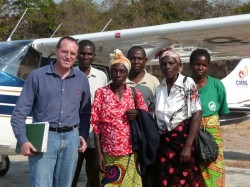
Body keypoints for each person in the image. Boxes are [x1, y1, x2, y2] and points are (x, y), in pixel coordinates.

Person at [11, 36, 91, 187]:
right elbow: (19, 112)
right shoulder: (37, 77)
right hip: (44, 138)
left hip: (71, 139)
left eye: (73, 54)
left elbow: (86, 112)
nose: (68, 57)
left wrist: (83, 134)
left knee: (65, 184)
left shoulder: (81, 79)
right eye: (65, 52)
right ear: (56, 51)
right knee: (41, 184)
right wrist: (23, 140)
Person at [91, 49, 148, 187]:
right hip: (108, 154)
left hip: (131, 153)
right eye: (114, 70)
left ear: (127, 73)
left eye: (122, 71)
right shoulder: (101, 93)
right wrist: (99, 156)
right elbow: (96, 126)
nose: (118, 74)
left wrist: (138, 113)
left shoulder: (134, 93)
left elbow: (146, 116)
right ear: (110, 72)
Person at [155, 48, 203, 186]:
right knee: (167, 181)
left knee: (186, 180)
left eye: (171, 63)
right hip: (165, 143)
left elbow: (197, 113)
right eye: (163, 64)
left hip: (182, 142)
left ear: (179, 65)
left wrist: (188, 146)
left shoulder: (187, 83)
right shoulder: (160, 88)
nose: (167, 67)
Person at [189, 48, 230, 187]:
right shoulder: (184, 84)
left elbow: (222, 111)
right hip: (189, 135)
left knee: (214, 171)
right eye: (196, 64)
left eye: (204, 65)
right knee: (192, 172)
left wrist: (207, 126)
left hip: (212, 137)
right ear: (190, 65)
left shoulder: (217, 85)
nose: (200, 67)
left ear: (208, 66)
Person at [72, 40, 107, 187]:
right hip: (74, 134)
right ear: (77, 54)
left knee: (93, 178)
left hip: (95, 137)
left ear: (94, 56)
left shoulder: (101, 76)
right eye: (83, 53)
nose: (86, 57)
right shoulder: (69, 74)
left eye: (89, 54)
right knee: (70, 176)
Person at [126, 46, 160, 186]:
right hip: (126, 139)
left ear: (145, 60)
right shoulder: (118, 78)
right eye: (132, 58)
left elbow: (158, 111)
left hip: (147, 136)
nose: (136, 61)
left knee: (148, 175)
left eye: (139, 58)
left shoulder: (154, 82)